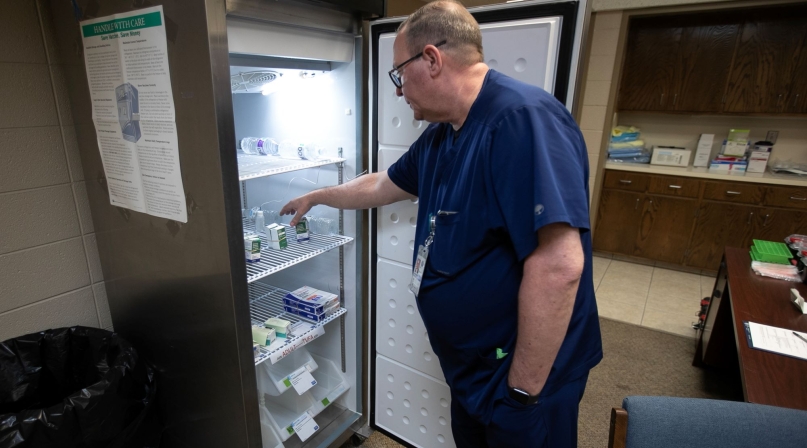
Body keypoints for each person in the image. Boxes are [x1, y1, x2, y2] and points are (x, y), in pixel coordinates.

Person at [280, 1, 602, 446]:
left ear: (431, 59)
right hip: (474, 368)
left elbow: (559, 266)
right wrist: (316, 196)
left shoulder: (522, 120)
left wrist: (522, 392)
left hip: (521, 377)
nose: (397, 90)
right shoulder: (443, 136)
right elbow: (379, 186)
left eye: (398, 74)